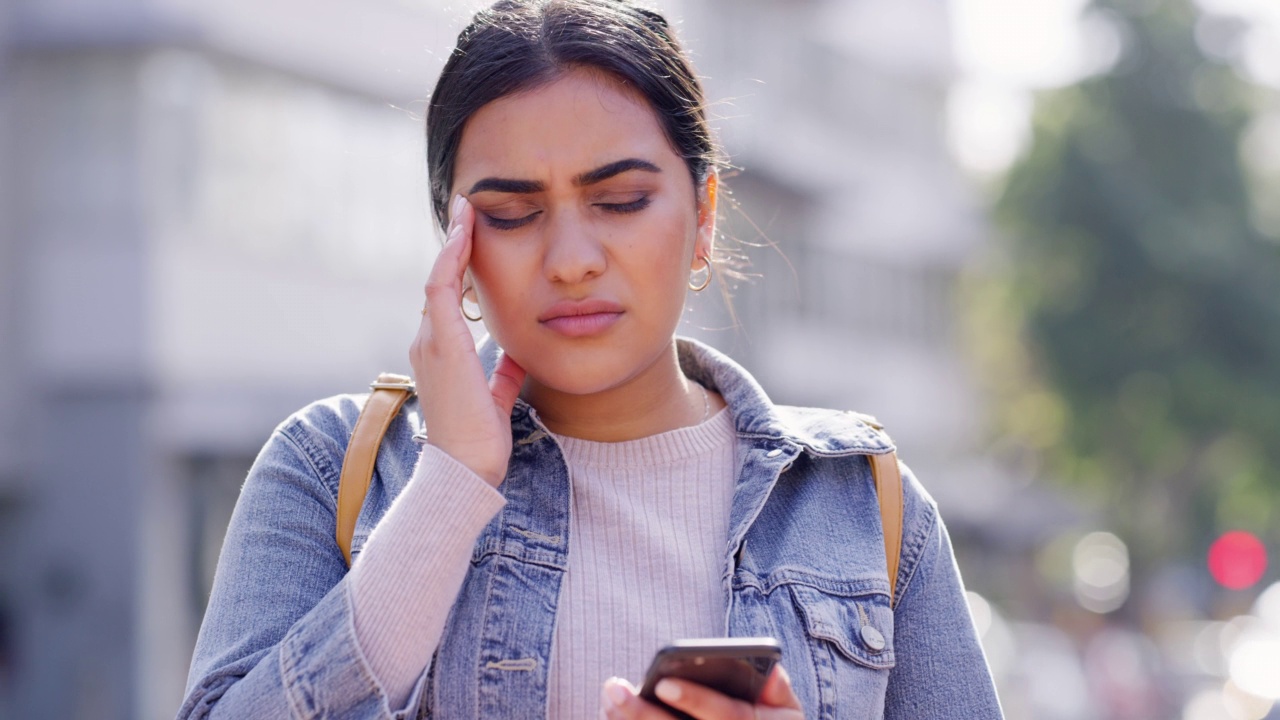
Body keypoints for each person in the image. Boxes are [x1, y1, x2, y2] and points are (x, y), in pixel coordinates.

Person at [178, 1, 1004, 718]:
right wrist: (451, 483)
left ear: (705, 213)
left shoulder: (860, 504)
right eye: (511, 213)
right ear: (455, 246)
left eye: (620, 202)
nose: (571, 258)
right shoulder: (332, 468)